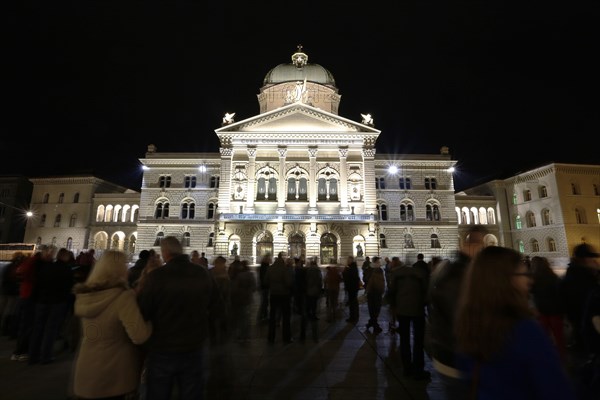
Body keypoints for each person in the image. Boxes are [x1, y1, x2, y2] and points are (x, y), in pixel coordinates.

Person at [455, 246, 576, 399]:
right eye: (524, 273)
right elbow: (556, 390)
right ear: (505, 279)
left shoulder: (467, 327)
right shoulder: (525, 331)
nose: (530, 280)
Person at [137, 236, 221, 400]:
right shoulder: (202, 273)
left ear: (165, 252)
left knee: (158, 394)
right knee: (192, 394)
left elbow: (143, 312)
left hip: (162, 348)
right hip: (194, 347)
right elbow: (218, 308)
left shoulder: (156, 277)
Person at [71, 249, 152, 400]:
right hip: (114, 372)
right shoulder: (122, 297)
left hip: (86, 369)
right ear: (120, 269)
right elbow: (139, 336)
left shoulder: (85, 295)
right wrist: (150, 324)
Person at [427, 225, 488, 399]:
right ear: (471, 244)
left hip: (456, 357)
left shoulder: (462, 270)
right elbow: (460, 318)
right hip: (457, 359)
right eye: (480, 243)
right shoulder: (458, 273)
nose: (482, 248)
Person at [28, 247, 74, 365]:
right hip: (57, 303)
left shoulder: (47, 267)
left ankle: (33, 356)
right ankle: (45, 356)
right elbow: (69, 287)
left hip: (42, 301)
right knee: (51, 330)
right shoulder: (67, 270)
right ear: (65, 257)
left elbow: (38, 283)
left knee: (38, 328)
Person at [388, 254, 430, 379]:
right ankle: (418, 369)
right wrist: (425, 305)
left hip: (402, 311)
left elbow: (391, 292)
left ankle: (407, 368)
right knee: (418, 341)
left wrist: (394, 306)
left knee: (404, 340)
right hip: (417, 310)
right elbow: (426, 291)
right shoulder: (420, 274)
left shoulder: (397, 274)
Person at [560, 243, 600, 352]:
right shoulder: (580, 277)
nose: (595, 260)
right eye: (591, 257)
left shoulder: (577, 273)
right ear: (584, 259)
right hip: (587, 327)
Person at [530, 255, 567, 363]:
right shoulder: (553, 277)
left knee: (543, 336)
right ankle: (561, 357)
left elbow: (531, 293)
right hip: (555, 311)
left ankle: (546, 357)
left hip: (542, 311)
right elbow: (560, 293)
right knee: (559, 336)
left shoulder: (534, 278)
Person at [265, 252, 294, 344]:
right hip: (284, 295)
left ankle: (271, 337)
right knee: (286, 317)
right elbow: (288, 282)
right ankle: (286, 337)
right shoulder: (285, 269)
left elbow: (265, 281)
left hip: (273, 294)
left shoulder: (270, 269)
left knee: (272, 316)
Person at [365, 256, 385, 333]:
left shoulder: (380, 270)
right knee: (373, 309)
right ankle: (375, 326)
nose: (379, 263)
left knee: (376, 309)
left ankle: (371, 323)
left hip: (378, 292)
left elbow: (382, 281)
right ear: (375, 262)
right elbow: (365, 279)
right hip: (372, 292)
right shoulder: (370, 269)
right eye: (378, 262)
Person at [305, 257, 323, 342]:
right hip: (315, 289)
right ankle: (314, 315)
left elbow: (306, 279)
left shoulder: (308, 270)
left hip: (309, 288)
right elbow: (320, 280)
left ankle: (309, 314)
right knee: (315, 302)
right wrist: (320, 288)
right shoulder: (318, 270)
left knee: (309, 301)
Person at [342, 255, 361, 324]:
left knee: (352, 303)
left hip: (352, 288)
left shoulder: (350, 268)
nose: (347, 261)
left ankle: (353, 317)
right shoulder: (353, 267)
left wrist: (344, 271)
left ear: (350, 261)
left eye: (348, 260)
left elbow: (347, 277)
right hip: (353, 288)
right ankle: (355, 316)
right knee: (354, 302)